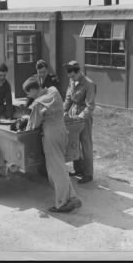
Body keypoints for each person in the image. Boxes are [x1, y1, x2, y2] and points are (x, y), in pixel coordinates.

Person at [23, 77, 82, 213]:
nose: (28, 96)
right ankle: (72, 197)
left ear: (33, 90)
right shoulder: (54, 91)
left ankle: (62, 203)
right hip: (62, 131)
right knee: (60, 165)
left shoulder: (38, 103)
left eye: (28, 93)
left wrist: (23, 124)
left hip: (51, 135)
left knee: (56, 170)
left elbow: (33, 125)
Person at [63, 61, 96, 184]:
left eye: (73, 76)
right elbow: (68, 98)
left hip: (84, 118)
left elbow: (90, 106)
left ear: (78, 72)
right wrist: (64, 111)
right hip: (73, 114)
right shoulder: (72, 81)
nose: (71, 79)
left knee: (86, 144)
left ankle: (88, 173)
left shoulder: (89, 84)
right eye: (70, 77)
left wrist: (81, 117)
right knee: (74, 142)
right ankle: (78, 169)